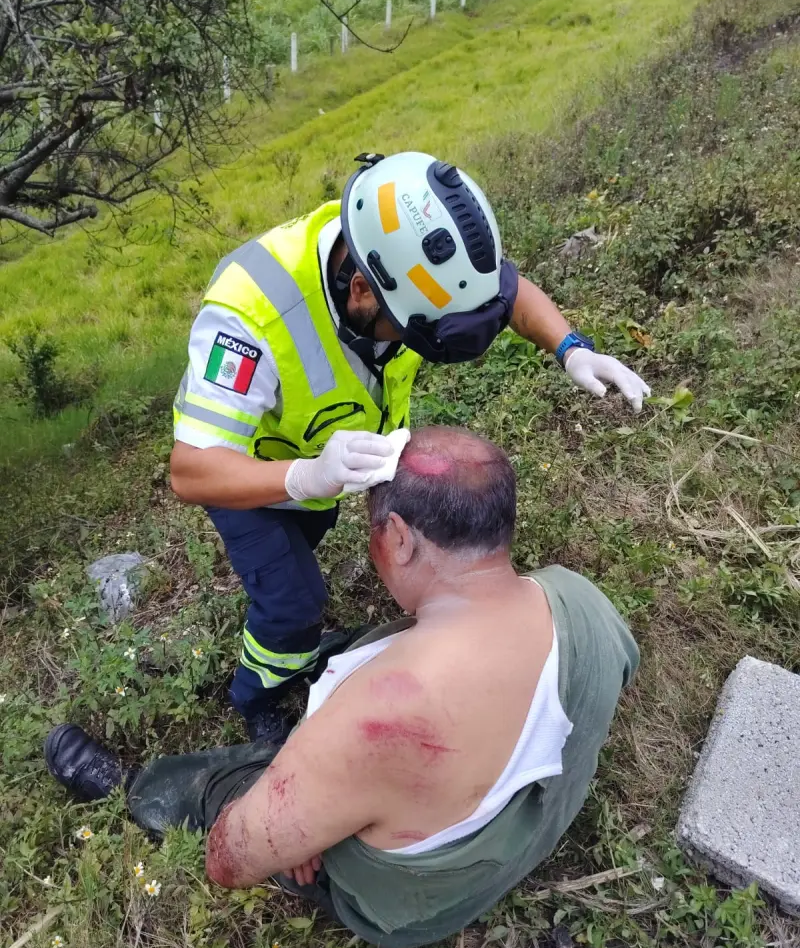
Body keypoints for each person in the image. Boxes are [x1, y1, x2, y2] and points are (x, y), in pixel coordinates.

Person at [46, 426, 639, 948]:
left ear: (401, 538)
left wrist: (298, 824)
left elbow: (230, 861)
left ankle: (135, 790)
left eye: (375, 529)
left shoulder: (379, 714)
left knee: (229, 790)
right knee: (369, 642)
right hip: (530, 819)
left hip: (420, 905)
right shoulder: (577, 596)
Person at [169, 150, 648, 745]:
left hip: (323, 458)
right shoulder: (248, 318)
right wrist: (303, 479)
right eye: (415, 332)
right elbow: (192, 472)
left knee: (301, 554)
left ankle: (283, 631)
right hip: (245, 475)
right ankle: (256, 693)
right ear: (363, 292)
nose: (415, 345)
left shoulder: (405, 249)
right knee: (293, 601)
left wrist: (572, 348)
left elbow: (508, 294)